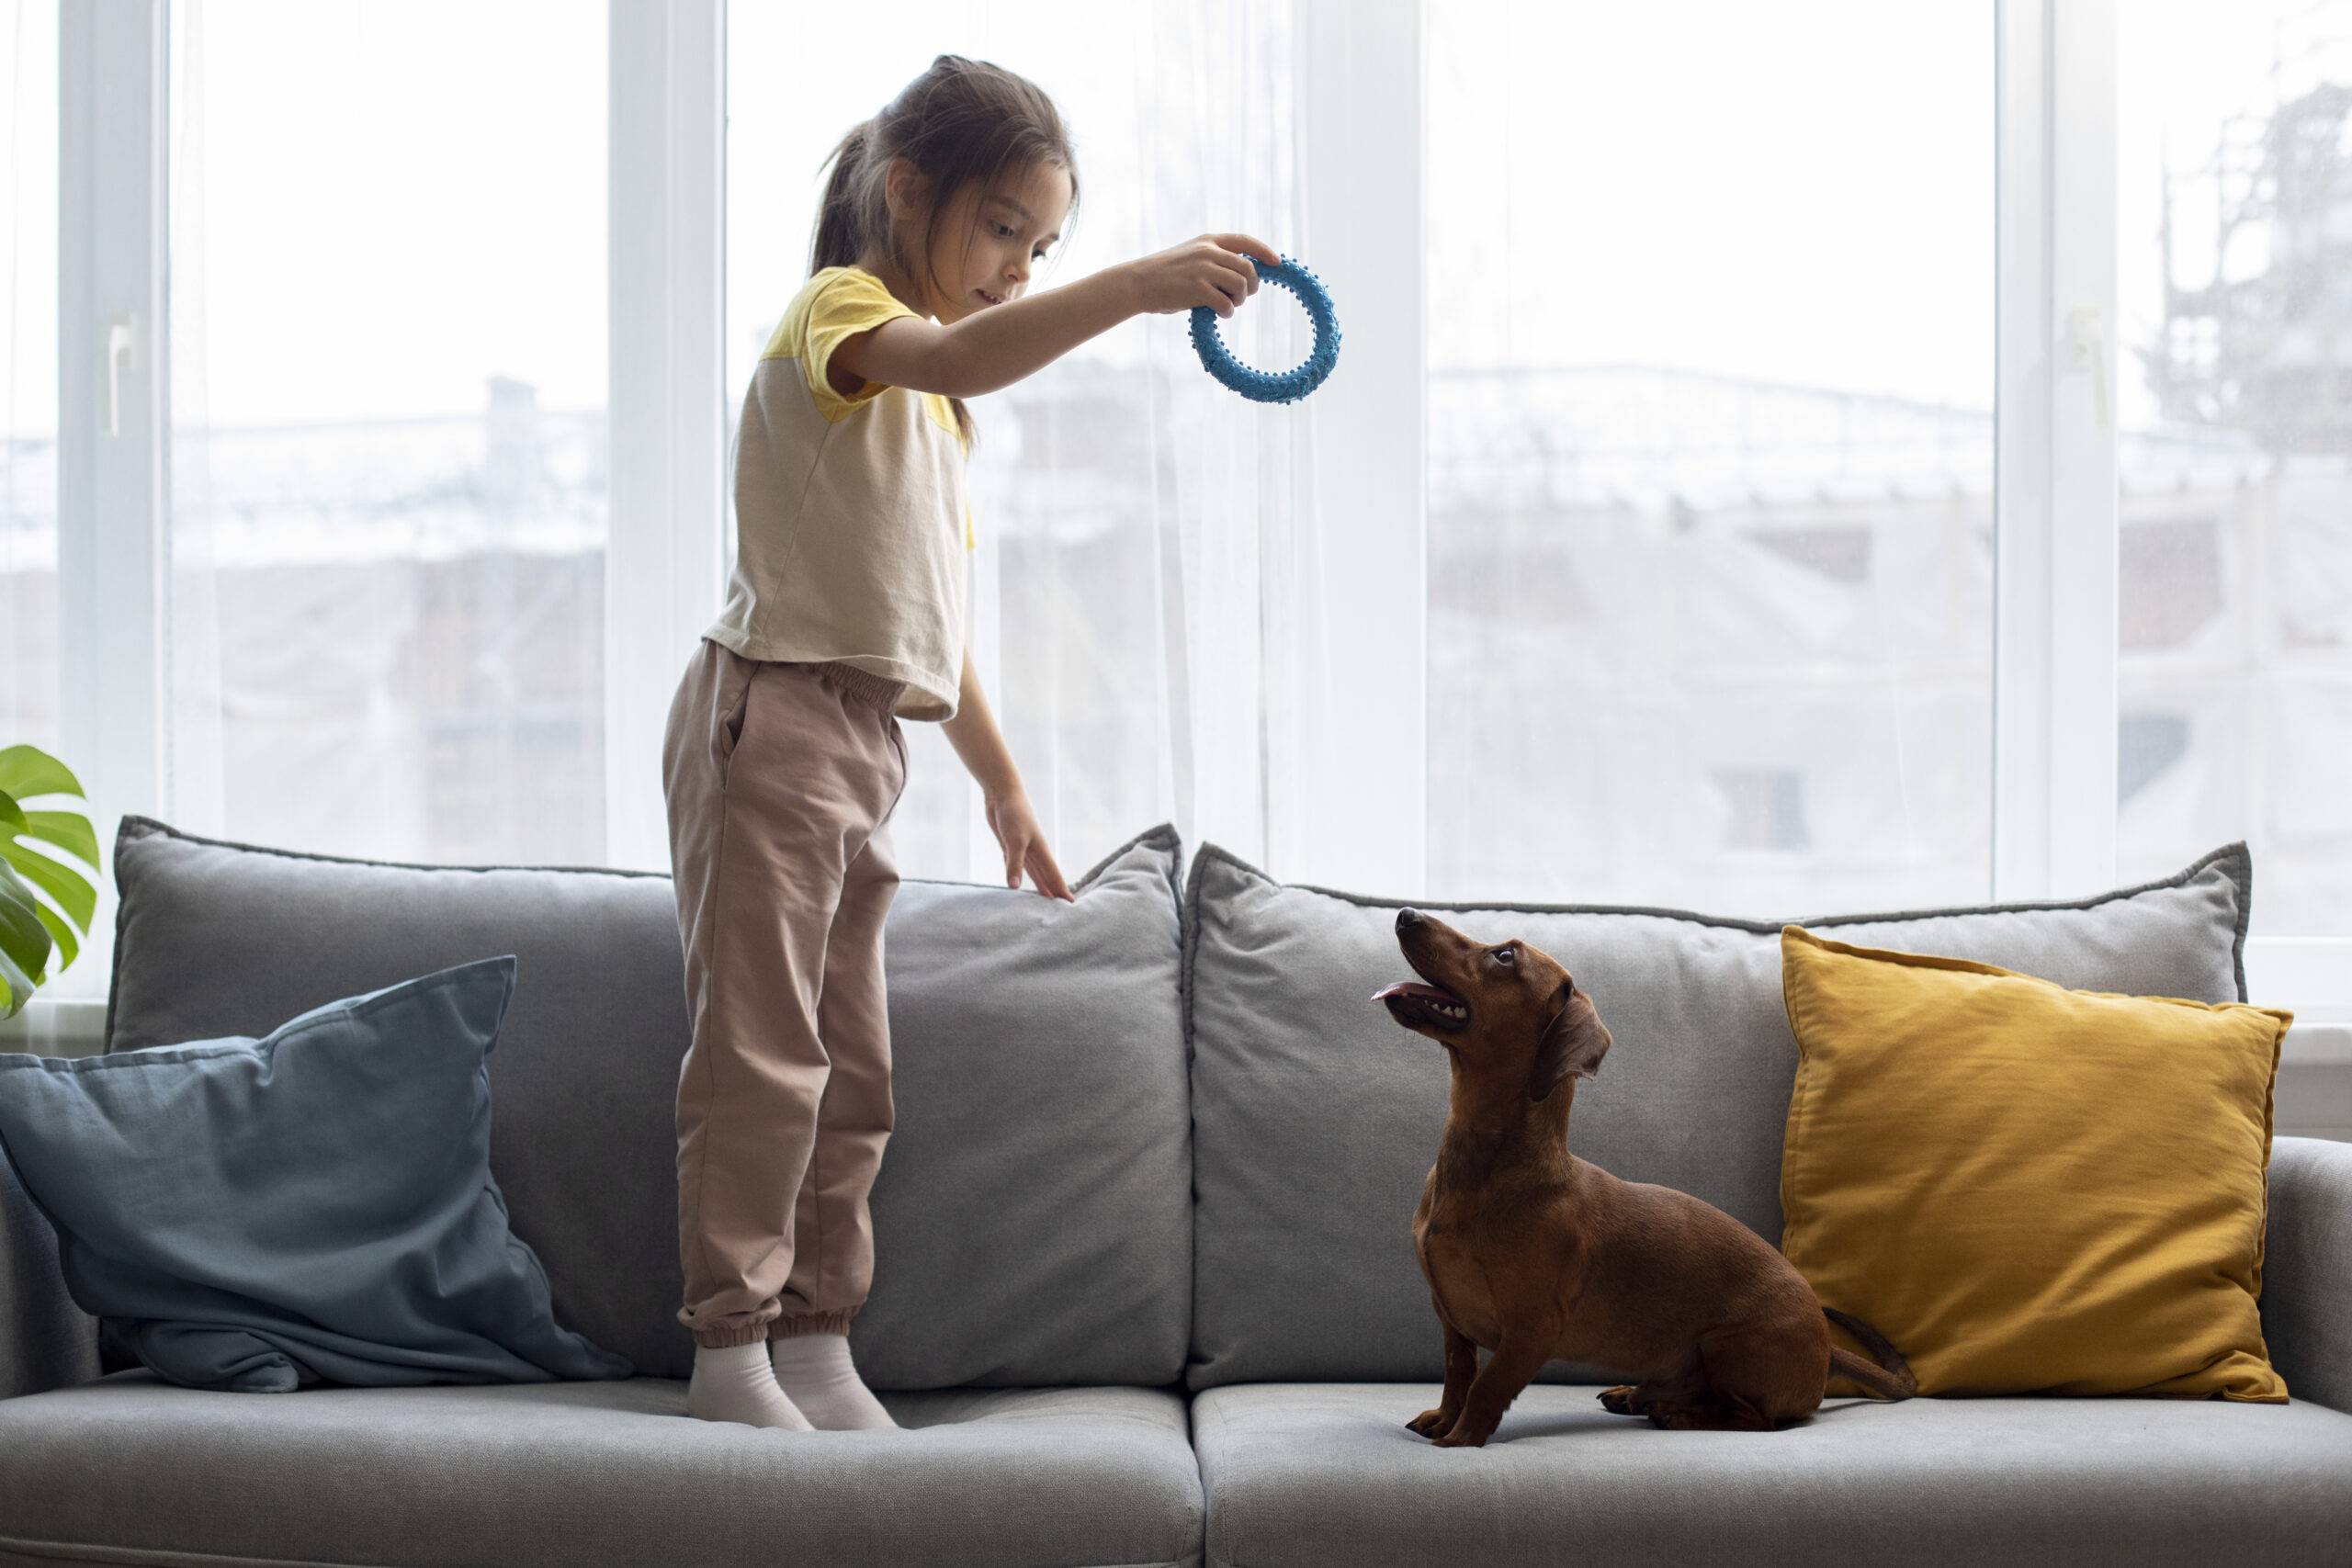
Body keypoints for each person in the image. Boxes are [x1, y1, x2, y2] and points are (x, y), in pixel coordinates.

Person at [662, 51, 1278, 1430]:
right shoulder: (848, 317)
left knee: (851, 1068)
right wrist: (1133, 287)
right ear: (908, 191)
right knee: (763, 1053)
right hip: (768, 720)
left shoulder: (936, 417)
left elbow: (927, 625)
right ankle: (730, 1349)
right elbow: (956, 351)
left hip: (861, 737)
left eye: (1046, 245)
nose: (1017, 266)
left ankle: (819, 1339)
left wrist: (1001, 783)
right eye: (1003, 229)